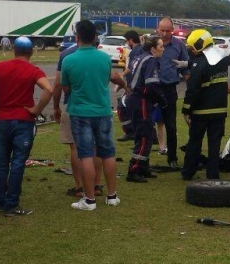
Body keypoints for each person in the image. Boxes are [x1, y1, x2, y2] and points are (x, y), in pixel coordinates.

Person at [0, 37, 53, 216]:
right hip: (23, 121)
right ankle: (12, 204)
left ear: (14, 51)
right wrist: (35, 110)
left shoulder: (0, 67)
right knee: (17, 163)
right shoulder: (33, 70)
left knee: (1, 162)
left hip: (2, 120)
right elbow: (48, 89)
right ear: (31, 52)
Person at [60, 20, 121, 210]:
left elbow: (66, 87)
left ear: (77, 37)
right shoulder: (104, 58)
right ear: (95, 37)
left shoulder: (69, 60)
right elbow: (106, 79)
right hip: (103, 111)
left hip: (80, 112)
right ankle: (112, 196)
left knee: (85, 155)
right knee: (107, 154)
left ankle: (89, 199)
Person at [181, 30, 229, 181]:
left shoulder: (200, 63)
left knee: (194, 142)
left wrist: (186, 109)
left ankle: (188, 172)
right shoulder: (221, 59)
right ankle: (212, 173)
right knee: (214, 144)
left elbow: (193, 89)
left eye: (192, 47)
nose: (192, 51)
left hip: (201, 112)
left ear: (200, 44)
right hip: (220, 110)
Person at [124, 36, 165, 183]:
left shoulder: (139, 57)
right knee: (143, 135)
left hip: (135, 98)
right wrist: (162, 100)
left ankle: (143, 166)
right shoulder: (151, 60)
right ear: (153, 49)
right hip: (140, 99)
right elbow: (151, 83)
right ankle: (133, 169)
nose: (163, 49)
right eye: (161, 46)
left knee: (147, 133)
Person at [156, 17, 190, 169]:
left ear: (172, 31)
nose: (164, 34)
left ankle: (172, 158)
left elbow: (186, 66)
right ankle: (140, 160)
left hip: (169, 88)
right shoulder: (152, 43)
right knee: (145, 123)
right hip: (152, 88)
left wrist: (192, 85)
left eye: (167, 31)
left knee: (171, 125)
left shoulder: (179, 44)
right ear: (158, 29)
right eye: (161, 30)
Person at [117, 30, 144, 142]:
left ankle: (131, 132)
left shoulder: (135, 52)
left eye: (126, 41)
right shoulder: (140, 50)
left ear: (131, 40)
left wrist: (121, 76)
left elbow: (132, 68)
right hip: (137, 85)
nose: (126, 43)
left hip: (133, 86)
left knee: (122, 108)